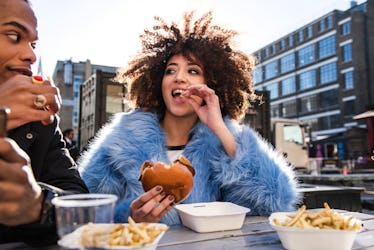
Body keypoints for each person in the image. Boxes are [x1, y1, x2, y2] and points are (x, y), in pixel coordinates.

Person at [79, 11, 300, 225]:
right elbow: (83, 209)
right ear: (158, 82)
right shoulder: (121, 140)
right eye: (170, 70)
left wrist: (220, 129)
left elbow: (274, 204)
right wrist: (128, 216)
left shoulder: (221, 143)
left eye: (193, 71)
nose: (180, 78)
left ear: (211, 84)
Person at [0, 0, 88, 246]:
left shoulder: (41, 121)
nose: (31, 54)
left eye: (33, 43)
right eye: (13, 35)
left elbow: (80, 204)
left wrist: (39, 206)